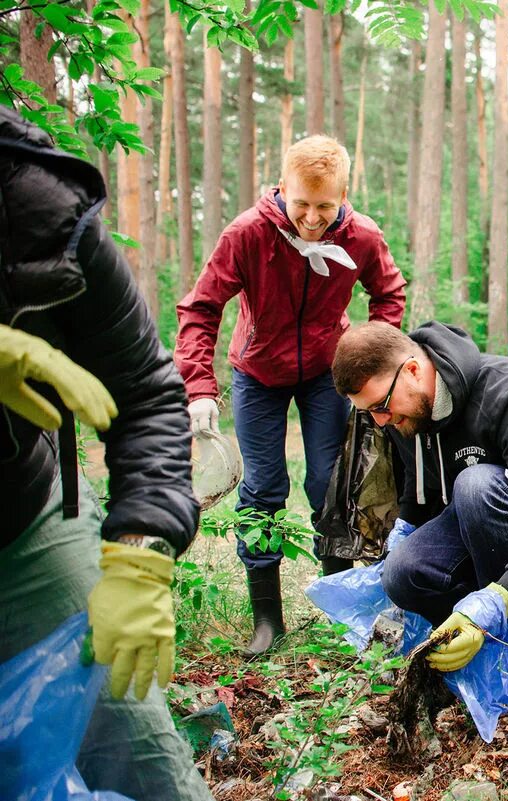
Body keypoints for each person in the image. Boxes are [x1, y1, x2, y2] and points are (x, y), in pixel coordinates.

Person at [0, 108, 212, 799]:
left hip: (21, 515)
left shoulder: (38, 206)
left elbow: (145, 390)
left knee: (141, 755)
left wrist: (142, 546)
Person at [175, 135, 407, 655]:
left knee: (330, 481)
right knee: (262, 487)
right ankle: (267, 621)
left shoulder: (361, 237)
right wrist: (199, 387)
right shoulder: (248, 234)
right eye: (301, 203)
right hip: (258, 373)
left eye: (325, 206)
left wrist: (369, 362)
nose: (311, 217)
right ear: (283, 188)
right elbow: (201, 308)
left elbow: (389, 293)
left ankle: (338, 606)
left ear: (344, 195)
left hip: (328, 372)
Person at [331, 321, 508, 672]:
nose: (380, 421)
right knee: (403, 572)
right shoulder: (405, 411)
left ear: (412, 369)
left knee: (476, 486)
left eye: (381, 406)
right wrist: (400, 539)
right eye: (368, 412)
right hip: (490, 521)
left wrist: (497, 599)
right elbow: (420, 488)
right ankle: (479, 655)